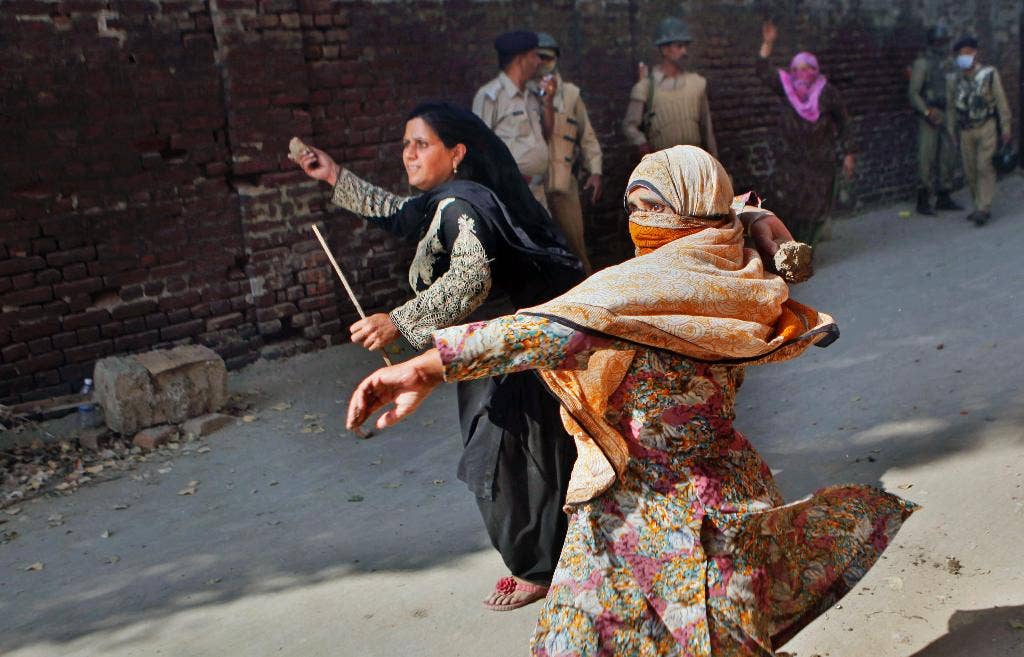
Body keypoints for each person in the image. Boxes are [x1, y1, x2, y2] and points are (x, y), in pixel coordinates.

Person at [347, 145, 917, 656]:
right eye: (634, 208)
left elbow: (531, 334)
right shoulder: (737, 268)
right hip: (619, 507)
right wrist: (760, 218)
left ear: (693, 214)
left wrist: (424, 366)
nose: (640, 223)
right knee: (576, 641)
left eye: (653, 208)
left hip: (702, 520)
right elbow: (730, 208)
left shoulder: (629, 299)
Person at [295, 102, 585, 611]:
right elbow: (397, 213)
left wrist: (399, 322)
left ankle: (540, 566)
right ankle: (551, 554)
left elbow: (472, 276)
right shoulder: (446, 201)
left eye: (421, 144)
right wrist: (334, 174)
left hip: (501, 352)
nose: (408, 154)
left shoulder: (460, 206)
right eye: (405, 143)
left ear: (457, 153)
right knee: (511, 452)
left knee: (507, 457)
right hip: (482, 351)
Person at [757, 21, 855, 244]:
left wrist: (848, 153)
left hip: (821, 161)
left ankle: (808, 246)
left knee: (817, 205)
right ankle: (796, 244)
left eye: (806, 68)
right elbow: (762, 70)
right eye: (797, 69)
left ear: (814, 70)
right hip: (793, 161)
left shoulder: (827, 92)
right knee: (793, 204)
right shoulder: (787, 88)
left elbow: (844, 122)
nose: (802, 73)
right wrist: (767, 43)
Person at [529, 32, 603, 274]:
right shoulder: (525, 95)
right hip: (533, 187)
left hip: (563, 184)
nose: (543, 65)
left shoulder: (570, 94)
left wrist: (595, 171)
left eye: (547, 59)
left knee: (575, 245)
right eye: (538, 59)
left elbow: (587, 135)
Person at [473, 30, 553, 208]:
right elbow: (478, 148)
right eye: (534, 56)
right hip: (510, 194)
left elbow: (547, 134)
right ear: (520, 60)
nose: (539, 61)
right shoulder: (490, 96)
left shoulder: (532, 93)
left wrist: (548, 103)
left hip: (537, 192)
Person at [622, 17, 718, 158]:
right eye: (679, 46)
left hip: (695, 163)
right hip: (664, 165)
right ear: (665, 49)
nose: (684, 51)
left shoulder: (697, 83)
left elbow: (707, 130)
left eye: (685, 46)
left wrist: (715, 165)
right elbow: (629, 126)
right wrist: (641, 143)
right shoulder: (646, 88)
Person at [946, 35, 1012, 226]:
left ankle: (984, 208)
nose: (963, 57)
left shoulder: (989, 74)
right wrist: (952, 130)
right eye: (960, 54)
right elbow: (951, 107)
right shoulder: (954, 79)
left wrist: (1006, 127)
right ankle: (977, 205)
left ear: (975, 54)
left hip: (986, 126)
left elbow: (1001, 101)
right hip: (965, 129)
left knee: (984, 166)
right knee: (970, 170)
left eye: (967, 53)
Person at [909, 25, 962, 215]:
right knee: (927, 156)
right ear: (931, 43)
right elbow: (913, 93)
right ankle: (923, 198)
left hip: (948, 112)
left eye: (944, 41)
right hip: (930, 113)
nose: (942, 45)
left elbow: (956, 87)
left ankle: (944, 194)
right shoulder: (922, 63)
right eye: (938, 42)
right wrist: (926, 111)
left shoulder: (950, 63)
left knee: (948, 155)